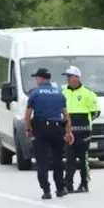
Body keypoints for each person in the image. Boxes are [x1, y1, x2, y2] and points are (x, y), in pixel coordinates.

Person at [24, 67, 70, 200]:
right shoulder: (59, 93)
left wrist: (28, 129)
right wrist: (68, 132)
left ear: (40, 78)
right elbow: (66, 115)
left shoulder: (35, 93)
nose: (36, 80)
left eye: (36, 78)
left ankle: (46, 190)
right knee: (58, 160)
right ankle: (60, 188)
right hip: (57, 129)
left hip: (41, 129)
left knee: (42, 161)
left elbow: (28, 114)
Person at [62, 66, 101, 193]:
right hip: (69, 131)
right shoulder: (63, 92)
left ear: (76, 78)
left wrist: (86, 122)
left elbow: (96, 112)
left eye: (69, 76)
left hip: (83, 131)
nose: (67, 79)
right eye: (66, 76)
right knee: (69, 159)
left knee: (83, 160)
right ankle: (68, 184)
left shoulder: (88, 93)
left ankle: (84, 183)